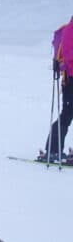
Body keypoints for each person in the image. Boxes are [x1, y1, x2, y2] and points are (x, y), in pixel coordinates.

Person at [42, 15, 73, 162]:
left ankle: (53, 149)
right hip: (70, 79)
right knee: (67, 114)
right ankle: (53, 150)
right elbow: (68, 55)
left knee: (67, 114)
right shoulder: (70, 30)